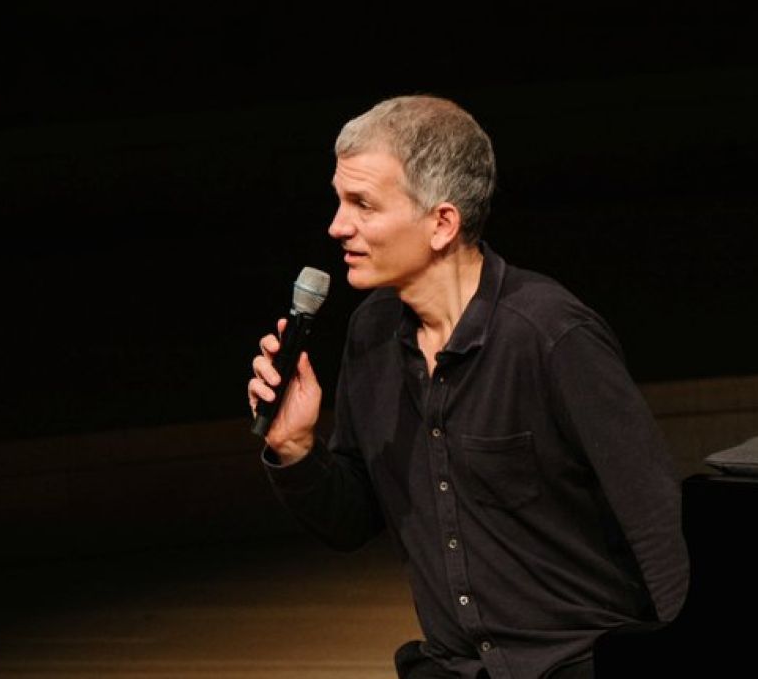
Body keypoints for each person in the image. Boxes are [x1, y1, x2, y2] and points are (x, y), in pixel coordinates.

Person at [247, 95, 688, 679]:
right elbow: (351, 521)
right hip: (456, 668)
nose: (337, 225)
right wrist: (298, 450)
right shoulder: (371, 335)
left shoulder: (551, 336)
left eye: (363, 204)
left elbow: (658, 525)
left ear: (442, 223)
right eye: (339, 199)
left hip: (579, 663)